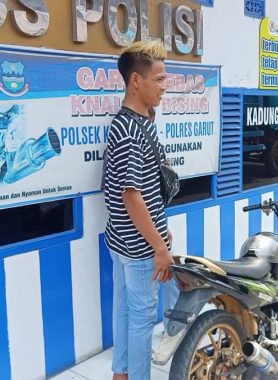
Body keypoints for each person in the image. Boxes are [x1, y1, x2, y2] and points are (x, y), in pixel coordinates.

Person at [102, 40, 173, 380]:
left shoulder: (135, 120)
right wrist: (159, 245)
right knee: (142, 318)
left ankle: (121, 374)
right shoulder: (131, 131)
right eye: (158, 79)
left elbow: (145, 187)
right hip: (140, 248)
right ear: (135, 81)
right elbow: (132, 196)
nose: (164, 86)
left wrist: (161, 226)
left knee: (124, 311)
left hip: (122, 240)